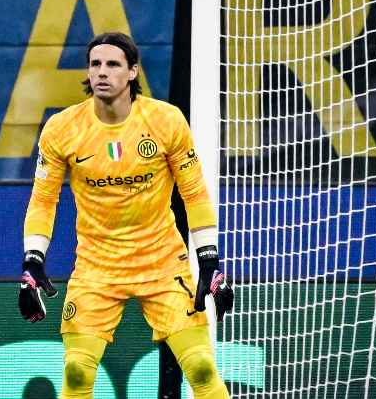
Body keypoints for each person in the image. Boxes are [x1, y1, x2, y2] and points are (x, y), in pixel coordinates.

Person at [18, 32, 233, 399]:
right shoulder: (62, 129)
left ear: (132, 71)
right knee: (75, 374)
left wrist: (209, 262)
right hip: (96, 268)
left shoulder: (166, 121)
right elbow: (43, 199)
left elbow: (194, 193)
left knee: (200, 367)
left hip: (164, 264)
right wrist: (33, 262)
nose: (102, 72)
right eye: (95, 64)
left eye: (113, 64)